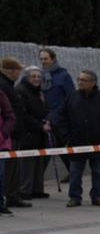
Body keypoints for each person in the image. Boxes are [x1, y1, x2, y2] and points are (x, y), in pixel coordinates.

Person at [56, 70, 100, 207]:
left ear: (93, 83)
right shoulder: (72, 97)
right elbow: (62, 118)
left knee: (98, 172)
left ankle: (97, 196)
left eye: (84, 80)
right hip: (77, 143)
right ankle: (75, 197)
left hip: (98, 143)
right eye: (79, 79)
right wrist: (66, 137)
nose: (80, 82)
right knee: (75, 173)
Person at [15, 67, 52, 200]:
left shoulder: (39, 92)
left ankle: (37, 189)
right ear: (26, 77)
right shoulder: (21, 91)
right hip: (27, 132)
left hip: (40, 132)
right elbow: (23, 114)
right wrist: (39, 126)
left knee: (39, 161)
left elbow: (45, 108)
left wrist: (47, 120)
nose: (36, 79)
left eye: (38, 76)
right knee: (27, 162)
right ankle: (25, 190)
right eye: (33, 76)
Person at [0, 58, 31, 209]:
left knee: (12, 168)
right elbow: (8, 113)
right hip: (8, 136)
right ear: (10, 71)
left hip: (13, 134)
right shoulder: (4, 86)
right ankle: (7, 197)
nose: (20, 73)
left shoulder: (8, 85)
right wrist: (6, 133)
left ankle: (12, 196)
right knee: (7, 169)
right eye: (19, 70)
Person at [38, 48, 74, 121]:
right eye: (41, 59)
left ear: (53, 59)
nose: (43, 61)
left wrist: (58, 113)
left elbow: (71, 97)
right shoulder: (39, 74)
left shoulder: (64, 75)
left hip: (59, 117)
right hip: (44, 115)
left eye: (45, 59)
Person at [0, 86, 14, 215]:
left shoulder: (1, 95)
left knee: (1, 175)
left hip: (1, 144)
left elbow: (10, 116)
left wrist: (3, 134)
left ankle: (1, 203)